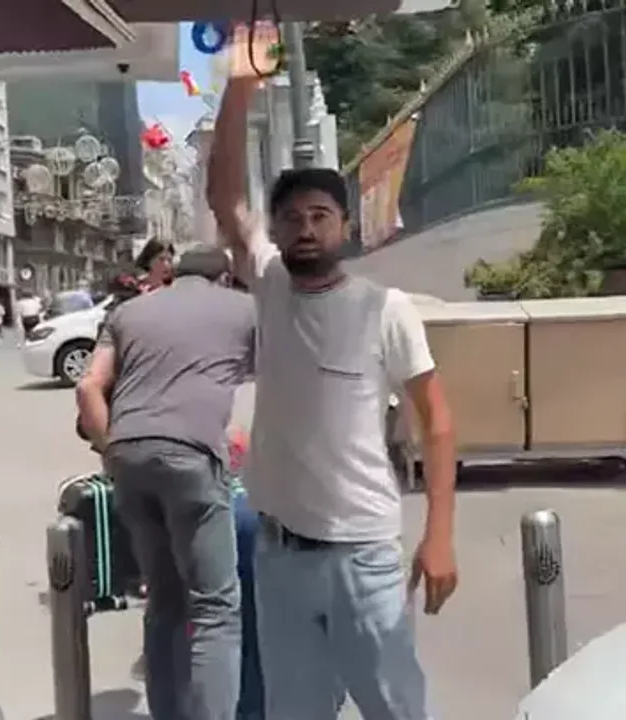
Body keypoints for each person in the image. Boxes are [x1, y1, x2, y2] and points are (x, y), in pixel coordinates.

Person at [207, 55, 458, 720]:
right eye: (291, 218)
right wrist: (239, 86)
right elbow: (224, 196)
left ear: (345, 226)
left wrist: (439, 535)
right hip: (281, 558)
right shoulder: (271, 285)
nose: (306, 229)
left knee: (397, 710)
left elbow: (436, 420)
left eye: (320, 215)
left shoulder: (386, 309)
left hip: (364, 560)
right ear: (277, 231)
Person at [77, 247, 256, 720]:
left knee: (164, 601)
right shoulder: (243, 308)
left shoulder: (129, 312)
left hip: (128, 454)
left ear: (174, 275)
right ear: (224, 278)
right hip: (191, 458)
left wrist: (109, 450)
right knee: (215, 610)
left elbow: (88, 386)